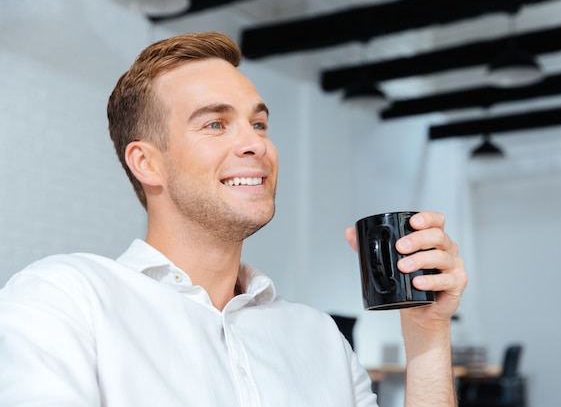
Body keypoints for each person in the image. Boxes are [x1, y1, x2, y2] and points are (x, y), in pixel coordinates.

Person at [0, 32, 467, 407]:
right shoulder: (65, 300)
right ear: (147, 163)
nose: (256, 145)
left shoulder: (320, 337)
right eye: (215, 124)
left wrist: (427, 337)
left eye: (259, 124)